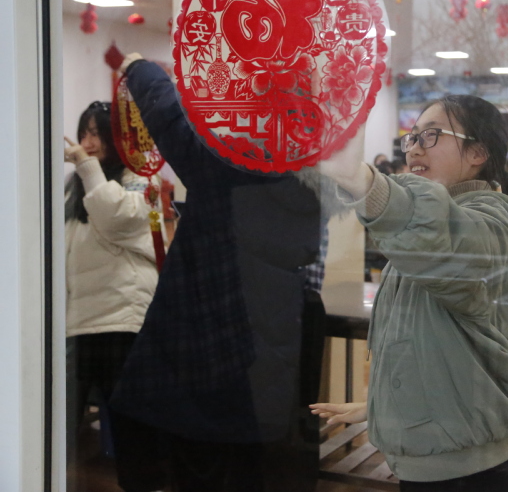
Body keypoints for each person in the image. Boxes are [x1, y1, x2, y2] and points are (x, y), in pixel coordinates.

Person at [110, 55, 331, 491]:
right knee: (245, 465)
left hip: (211, 351)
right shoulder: (307, 178)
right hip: (267, 356)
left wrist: (140, 68)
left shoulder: (233, 165)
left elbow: (172, 122)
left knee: (200, 464)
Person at [311, 95, 508, 491]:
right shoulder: (426, 234)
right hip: (436, 463)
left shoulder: (496, 223)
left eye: (431, 135)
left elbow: (448, 241)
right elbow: (437, 347)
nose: (414, 148)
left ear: (478, 153)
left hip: (465, 476)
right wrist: (379, 407)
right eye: (412, 137)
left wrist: (363, 181)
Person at [64, 101, 166, 492]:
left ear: (117, 137)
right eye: (84, 132)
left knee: (131, 426)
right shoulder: (76, 187)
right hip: (80, 321)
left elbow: (117, 217)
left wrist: (86, 168)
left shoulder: (144, 181)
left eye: (97, 133)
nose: (88, 142)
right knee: (61, 421)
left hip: (123, 319)